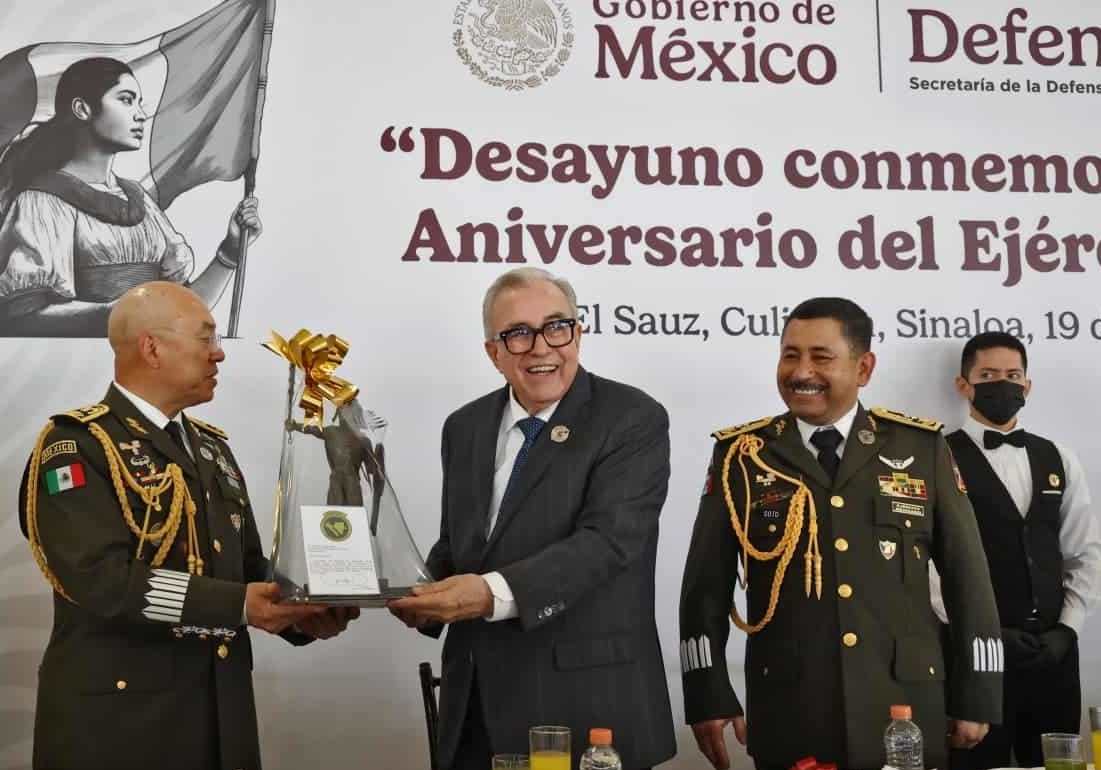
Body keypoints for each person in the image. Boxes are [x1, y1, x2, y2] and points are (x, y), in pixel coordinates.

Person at [17, 281, 358, 770]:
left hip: (219, 719)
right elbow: (99, 580)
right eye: (206, 339)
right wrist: (241, 605)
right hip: (120, 730)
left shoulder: (211, 448)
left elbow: (244, 569)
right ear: (151, 348)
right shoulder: (77, 446)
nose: (219, 355)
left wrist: (301, 606)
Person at [679, 297, 1003, 770]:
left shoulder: (920, 447)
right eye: (790, 354)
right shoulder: (743, 454)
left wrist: (978, 692)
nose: (800, 370)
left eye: (821, 357)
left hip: (905, 702)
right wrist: (706, 691)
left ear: (864, 367)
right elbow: (704, 587)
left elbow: (968, 577)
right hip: (791, 705)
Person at [388, 267, 676, 770]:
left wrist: (485, 594)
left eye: (556, 327)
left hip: (585, 706)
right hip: (475, 703)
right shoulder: (465, 426)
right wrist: (402, 588)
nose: (541, 347)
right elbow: (460, 546)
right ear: (493, 352)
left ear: (578, 333)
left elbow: (608, 543)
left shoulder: (631, 418)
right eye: (518, 334)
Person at [0, 57, 260, 336]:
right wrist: (116, 314)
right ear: (82, 109)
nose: (140, 114)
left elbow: (184, 314)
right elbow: (23, 318)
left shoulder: (142, 203)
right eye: (126, 100)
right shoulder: (42, 202)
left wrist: (230, 251)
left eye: (139, 103)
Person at [942, 332, 1101, 769]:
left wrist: (1066, 630)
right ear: (964, 385)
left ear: (1027, 386)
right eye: (988, 375)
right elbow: (926, 566)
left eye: (1013, 376)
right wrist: (983, 632)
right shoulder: (939, 455)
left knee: (1058, 764)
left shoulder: (1059, 457)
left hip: (1054, 655)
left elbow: (1084, 552)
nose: (1003, 384)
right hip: (975, 658)